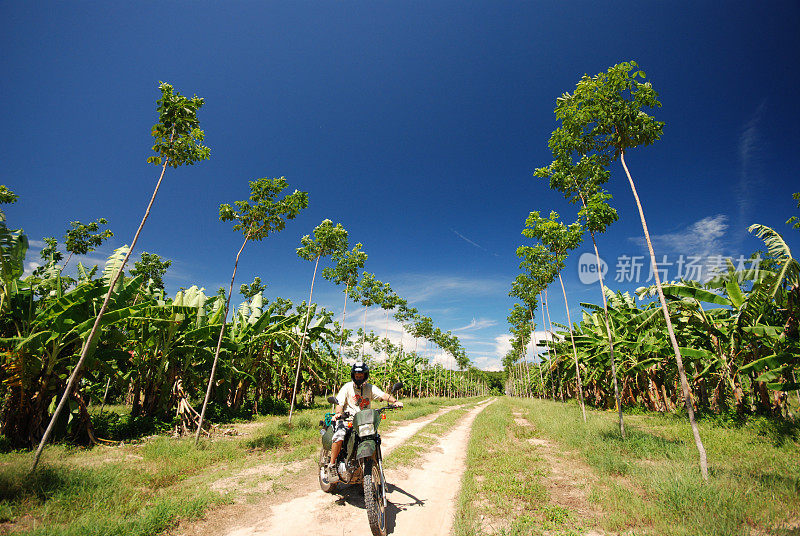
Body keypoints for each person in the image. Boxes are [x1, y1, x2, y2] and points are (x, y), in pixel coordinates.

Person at [326, 361, 403, 482]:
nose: (359, 377)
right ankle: (331, 466)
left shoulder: (370, 388)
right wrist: (338, 414)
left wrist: (395, 402)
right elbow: (339, 403)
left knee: (373, 438)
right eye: (357, 375)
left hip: (364, 421)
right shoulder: (347, 387)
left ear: (365, 375)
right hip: (348, 419)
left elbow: (383, 395)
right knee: (339, 435)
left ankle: (367, 475)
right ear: (353, 375)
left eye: (361, 375)